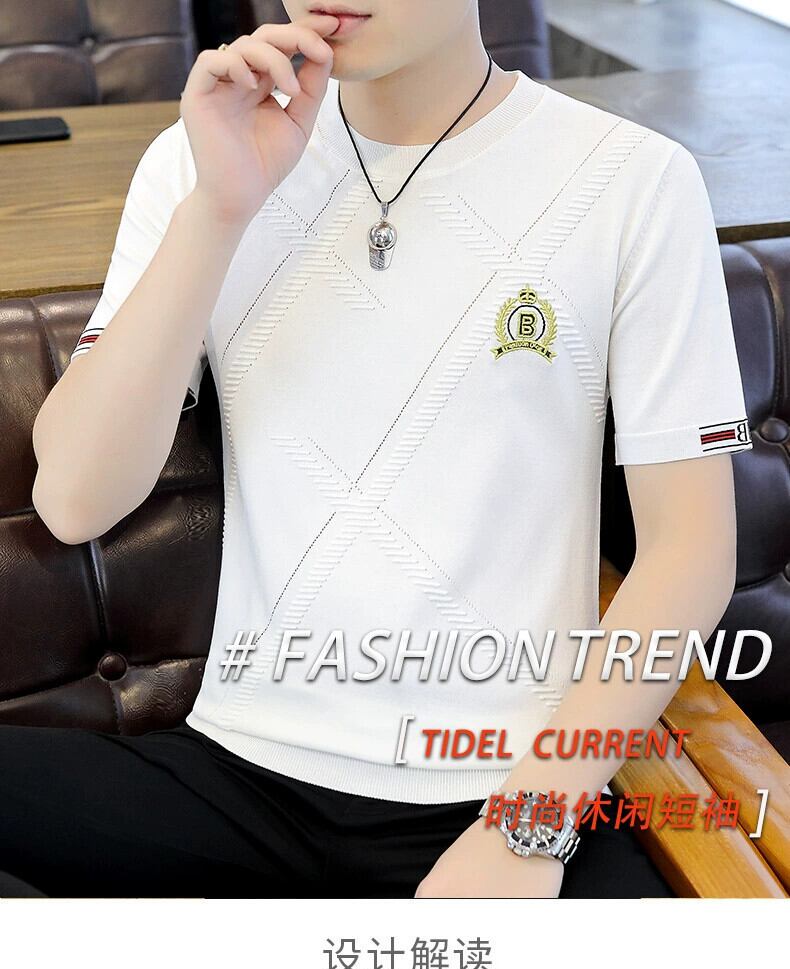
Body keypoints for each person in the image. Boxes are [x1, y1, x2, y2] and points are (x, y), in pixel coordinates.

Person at [14, 1, 751, 899]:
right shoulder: (200, 158)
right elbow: (74, 500)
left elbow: (689, 552)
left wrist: (528, 827)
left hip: (500, 786)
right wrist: (219, 209)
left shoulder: (633, 180)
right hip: (243, 773)